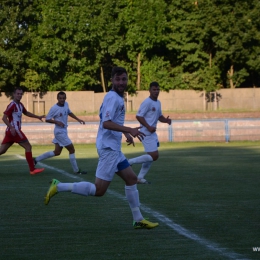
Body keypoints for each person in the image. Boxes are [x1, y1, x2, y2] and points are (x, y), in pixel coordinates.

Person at [44, 67, 159, 229]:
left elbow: (111, 122)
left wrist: (125, 134)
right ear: (112, 80)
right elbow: (106, 123)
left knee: (131, 179)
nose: (121, 82)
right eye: (118, 79)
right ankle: (59, 186)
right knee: (99, 190)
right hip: (108, 149)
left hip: (113, 148)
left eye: (124, 79)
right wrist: (130, 130)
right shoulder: (113, 98)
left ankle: (138, 219)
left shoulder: (115, 97)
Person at [128, 82, 171, 184]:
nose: (156, 92)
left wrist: (166, 120)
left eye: (157, 90)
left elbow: (159, 116)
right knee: (154, 156)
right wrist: (148, 126)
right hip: (145, 133)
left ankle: (139, 178)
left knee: (151, 157)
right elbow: (139, 116)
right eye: (154, 90)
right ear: (150, 90)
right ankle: (129, 162)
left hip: (152, 133)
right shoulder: (147, 102)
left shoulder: (158, 103)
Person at [34, 91, 87, 174]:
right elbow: (47, 119)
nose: (62, 100)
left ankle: (36, 160)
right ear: (57, 99)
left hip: (64, 131)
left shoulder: (66, 104)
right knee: (71, 149)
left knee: (57, 152)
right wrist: (57, 122)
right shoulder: (54, 108)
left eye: (63, 98)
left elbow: (69, 112)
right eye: (60, 98)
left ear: (65, 98)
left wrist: (78, 119)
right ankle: (76, 170)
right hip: (59, 132)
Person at [0, 87, 45, 175]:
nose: (19, 95)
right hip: (15, 131)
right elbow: (4, 118)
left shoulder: (20, 105)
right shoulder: (12, 105)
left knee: (2, 151)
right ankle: (32, 169)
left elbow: (26, 113)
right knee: (28, 147)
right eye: (18, 94)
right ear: (14, 94)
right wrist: (12, 127)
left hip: (11, 132)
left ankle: (32, 169)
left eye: (21, 94)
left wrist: (38, 117)